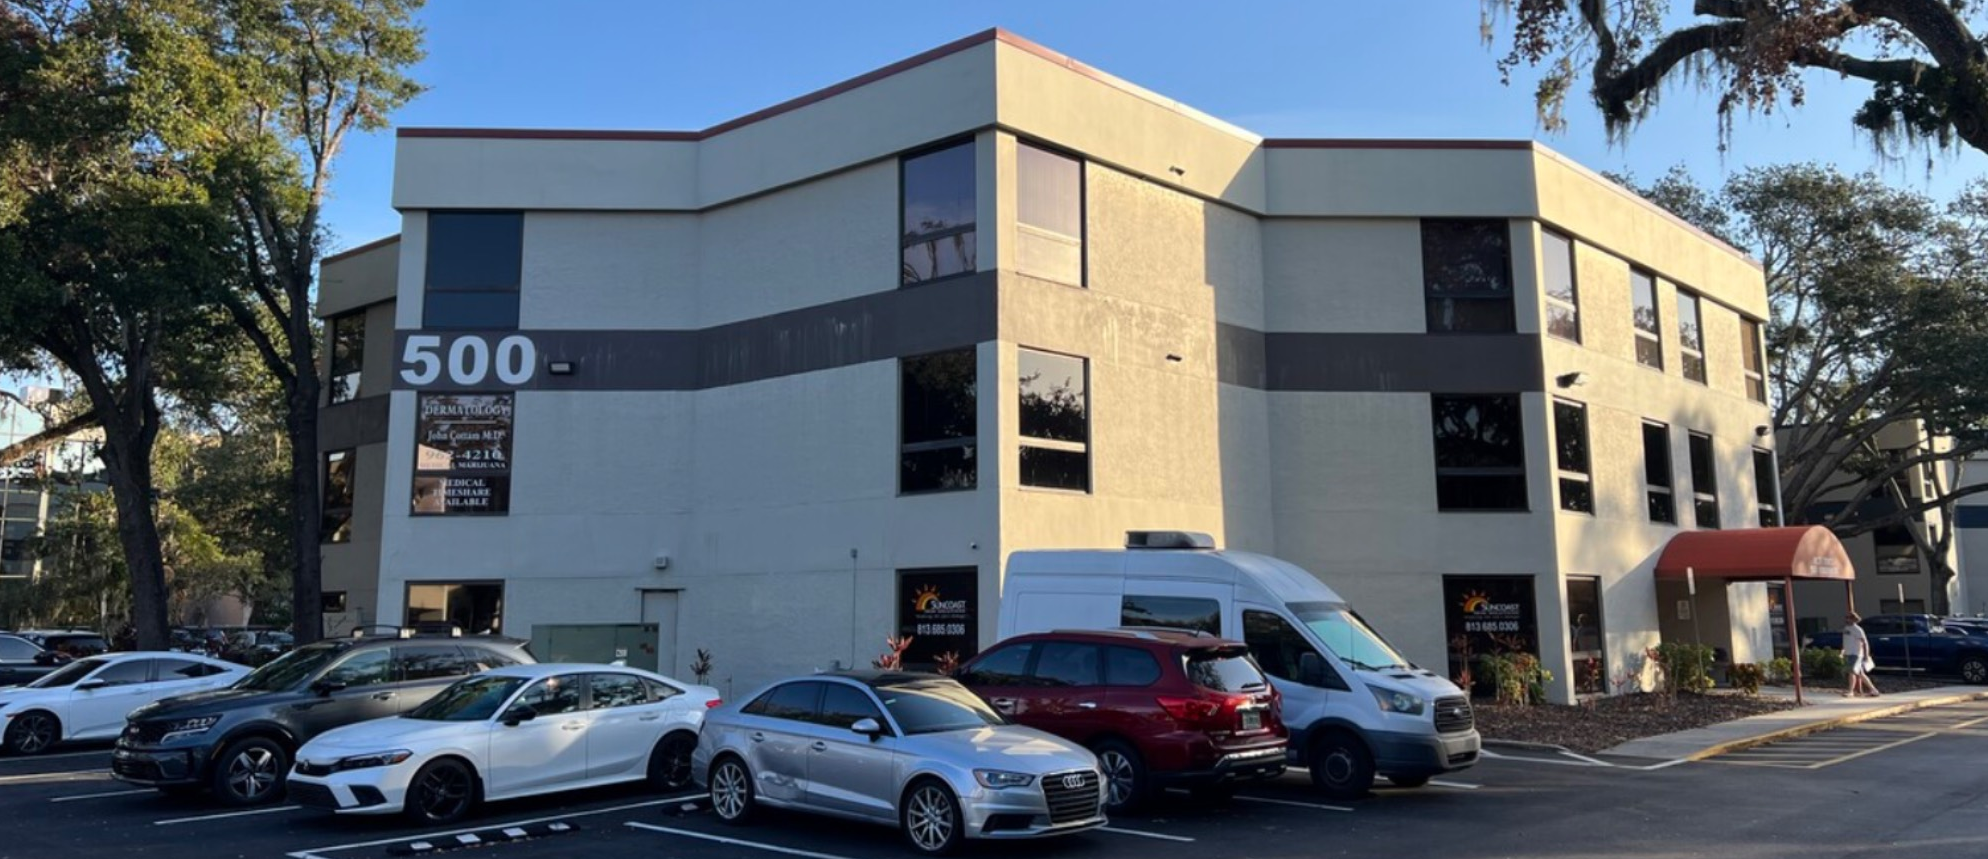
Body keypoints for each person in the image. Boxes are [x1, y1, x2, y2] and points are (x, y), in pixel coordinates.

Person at [1843, 612, 1880, 698]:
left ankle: (1851, 691)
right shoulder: (1846, 628)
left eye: (1848, 617)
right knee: (1860, 673)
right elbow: (1846, 641)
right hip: (1849, 653)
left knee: (1851, 671)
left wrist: (1866, 655)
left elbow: (1865, 642)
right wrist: (1843, 651)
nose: (1846, 619)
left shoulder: (1858, 630)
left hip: (1856, 653)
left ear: (1853, 619)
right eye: (1846, 617)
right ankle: (1874, 690)